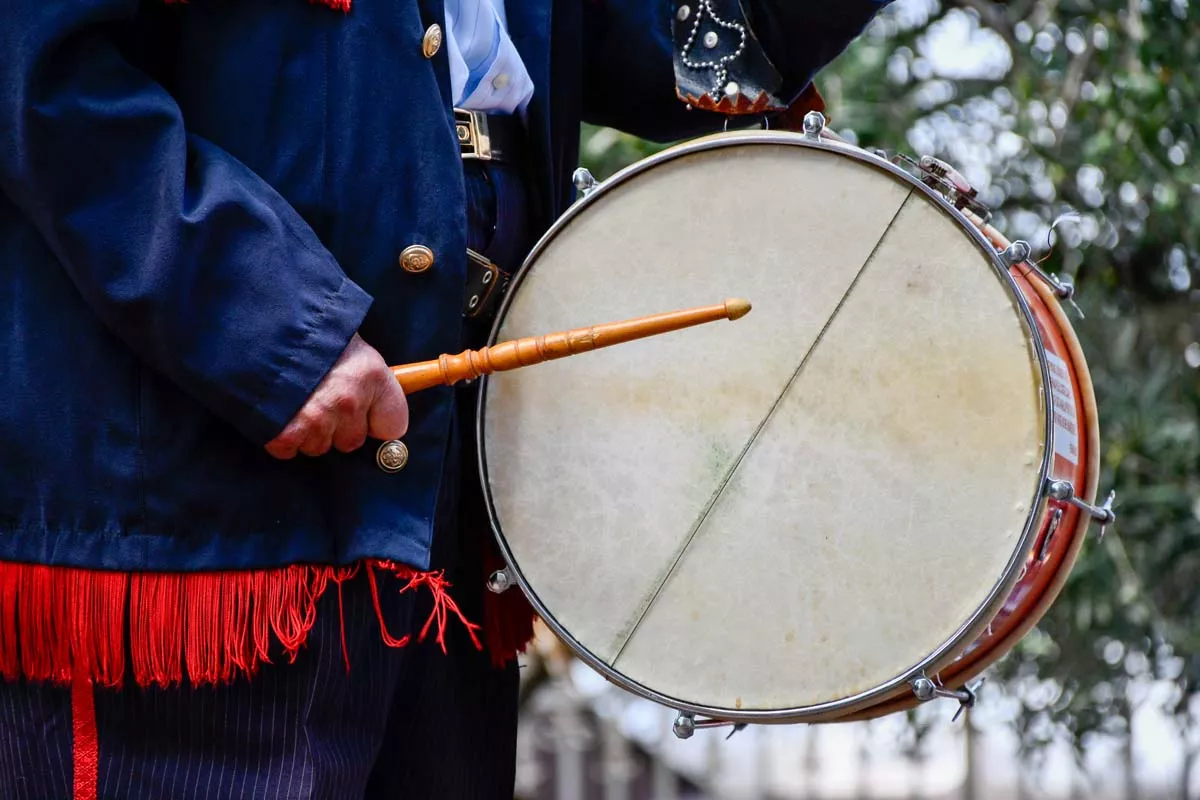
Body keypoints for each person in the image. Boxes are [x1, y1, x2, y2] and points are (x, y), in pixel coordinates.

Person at [0, 1, 891, 797]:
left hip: (443, 503)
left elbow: (697, 44)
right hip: (195, 501)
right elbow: (41, 69)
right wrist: (268, 324)